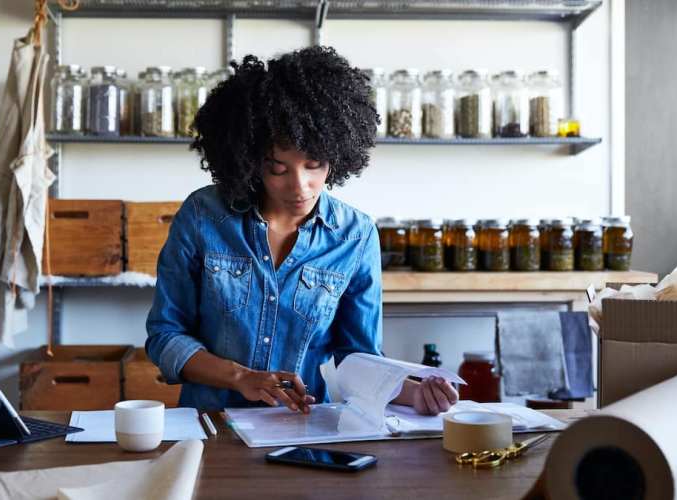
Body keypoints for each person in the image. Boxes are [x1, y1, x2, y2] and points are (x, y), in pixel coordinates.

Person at [146, 46, 458, 415]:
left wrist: (415, 394)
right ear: (247, 159)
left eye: (315, 165)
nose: (301, 186)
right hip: (211, 427)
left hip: (305, 430)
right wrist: (240, 377)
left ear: (337, 156)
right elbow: (165, 337)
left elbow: (357, 359)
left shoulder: (355, 236)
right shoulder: (203, 216)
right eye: (278, 168)